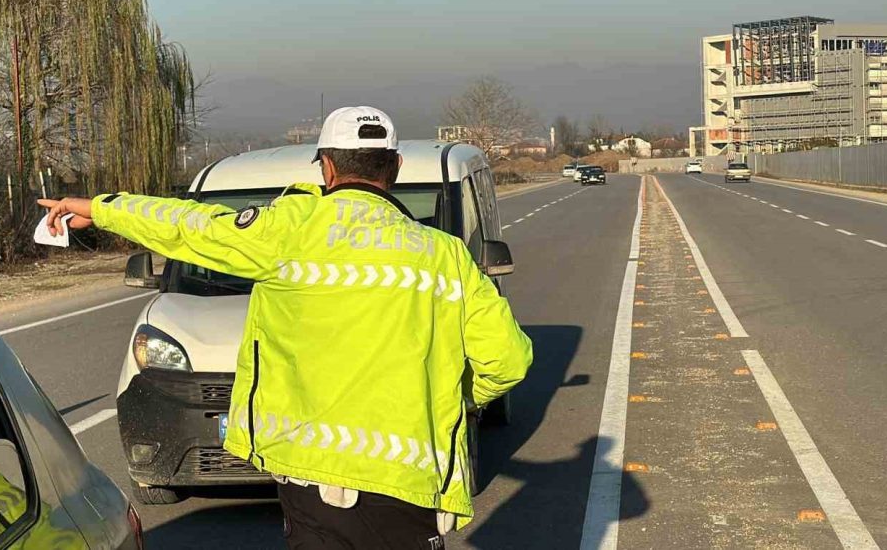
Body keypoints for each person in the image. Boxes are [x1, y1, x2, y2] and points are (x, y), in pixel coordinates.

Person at [39, 106, 532, 548]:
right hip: (410, 486)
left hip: (312, 482)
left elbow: (192, 226)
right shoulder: (444, 256)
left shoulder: (289, 231)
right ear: (396, 167)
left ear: (327, 167)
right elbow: (507, 360)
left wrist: (101, 209)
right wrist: (452, 397)